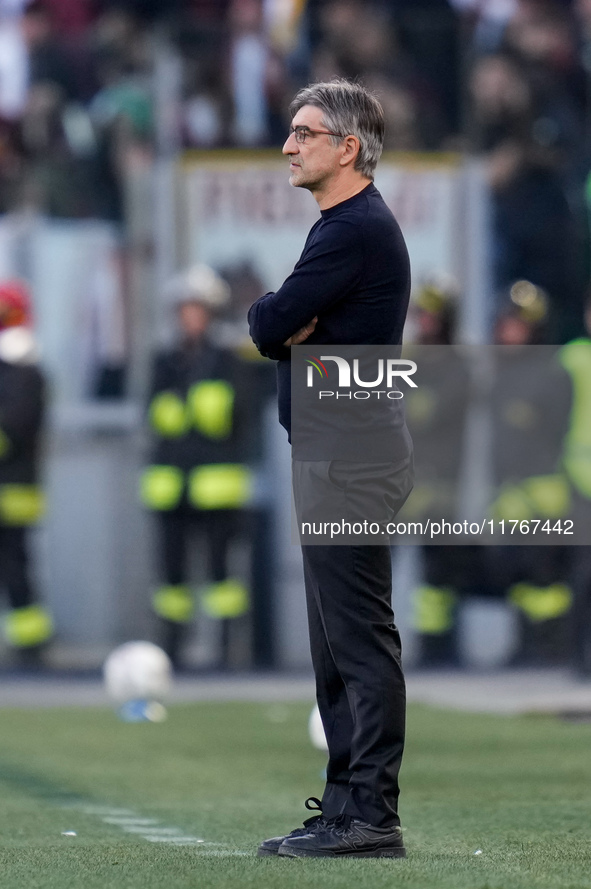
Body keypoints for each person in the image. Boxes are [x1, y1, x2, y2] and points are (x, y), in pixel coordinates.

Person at [248, 78, 413, 859]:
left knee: (355, 638)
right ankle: (346, 805)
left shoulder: (350, 231)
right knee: (334, 643)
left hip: (348, 453)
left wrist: (274, 318)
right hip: (335, 447)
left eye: (305, 132)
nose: (289, 144)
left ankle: (370, 813)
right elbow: (284, 326)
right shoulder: (343, 227)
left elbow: (270, 323)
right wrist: (282, 322)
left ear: (348, 146)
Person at [140, 264, 252, 669]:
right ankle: (171, 648)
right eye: (183, 309)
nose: (189, 317)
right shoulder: (166, 360)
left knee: (223, 574)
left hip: (217, 487)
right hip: (171, 485)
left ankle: (226, 650)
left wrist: (190, 409)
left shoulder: (228, 359)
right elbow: (156, 414)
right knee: (172, 576)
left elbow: (233, 414)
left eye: (196, 308)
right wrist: (194, 408)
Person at [0, 279, 53, 662]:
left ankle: (31, 647)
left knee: (15, 567)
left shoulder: (25, 373)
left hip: (14, 489)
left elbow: (14, 428)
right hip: (16, 487)